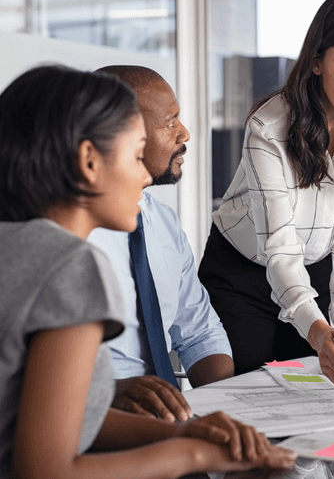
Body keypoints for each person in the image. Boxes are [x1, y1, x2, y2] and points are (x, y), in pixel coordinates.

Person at [0, 65, 295, 479]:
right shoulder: (71, 265)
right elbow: (45, 470)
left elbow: (42, 416)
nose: (144, 175)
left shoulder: (16, 245)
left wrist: (184, 432)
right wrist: (195, 455)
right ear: (89, 161)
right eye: (137, 155)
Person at [199, 0, 334, 389]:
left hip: (315, 267)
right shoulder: (269, 128)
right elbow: (279, 248)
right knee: (250, 393)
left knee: (313, 393)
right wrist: (316, 330)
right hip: (243, 270)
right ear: (316, 61)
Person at [88, 65, 234, 423]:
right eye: (169, 121)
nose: (185, 133)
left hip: (170, 419)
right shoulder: (69, 235)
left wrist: (229, 407)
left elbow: (199, 330)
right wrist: (107, 393)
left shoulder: (162, 221)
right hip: (96, 416)